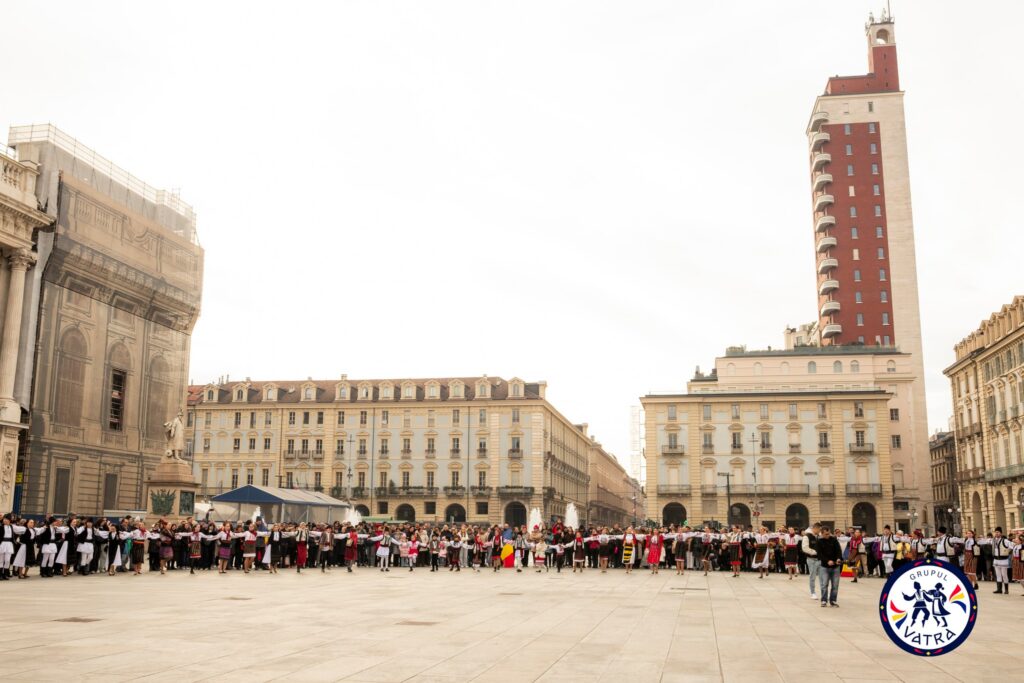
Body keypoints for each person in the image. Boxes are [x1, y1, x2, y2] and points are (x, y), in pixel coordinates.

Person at [816, 526, 842, 608]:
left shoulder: (834, 539)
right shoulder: (819, 541)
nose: (828, 535)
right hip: (825, 566)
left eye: (829, 533)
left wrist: (838, 558)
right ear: (822, 534)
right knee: (824, 584)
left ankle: (833, 601)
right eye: (826, 534)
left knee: (835, 585)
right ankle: (824, 600)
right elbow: (819, 554)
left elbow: (839, 550)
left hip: (835, 566)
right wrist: (827, 561)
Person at [801, 524, 820, 600]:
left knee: (823, 576)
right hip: (811, 559)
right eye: (819, 529)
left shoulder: (819, 536)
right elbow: (805, 548)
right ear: (814, 528)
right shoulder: (807, 536)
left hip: (820, 559)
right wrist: (814, 552)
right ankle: (813, 592)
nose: (819, 531)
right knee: (812, 576)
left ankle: (824, 592)